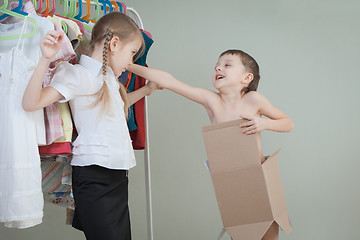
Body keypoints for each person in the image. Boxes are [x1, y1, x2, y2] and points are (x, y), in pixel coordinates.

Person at [128, 49, 294, 240]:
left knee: (267, 235)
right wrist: (129, 65)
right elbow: (170, 81)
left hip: (259, 179)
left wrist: (264, 123)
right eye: (217, 64)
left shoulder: (253, 99)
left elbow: (288, 123)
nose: (218, 67)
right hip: (230, 182)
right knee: (241, 233)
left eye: (227, 64)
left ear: (246, 77)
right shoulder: (212, 101)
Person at [22, 12, 159, 240]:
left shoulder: (108, 79)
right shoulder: (77, 74)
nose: (131, 62)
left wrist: (146, 90)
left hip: (117, 177)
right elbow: (31, 103)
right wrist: (45, 59)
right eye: (132, 53)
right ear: (115, 44)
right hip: (94, 178)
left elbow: (116, 109)